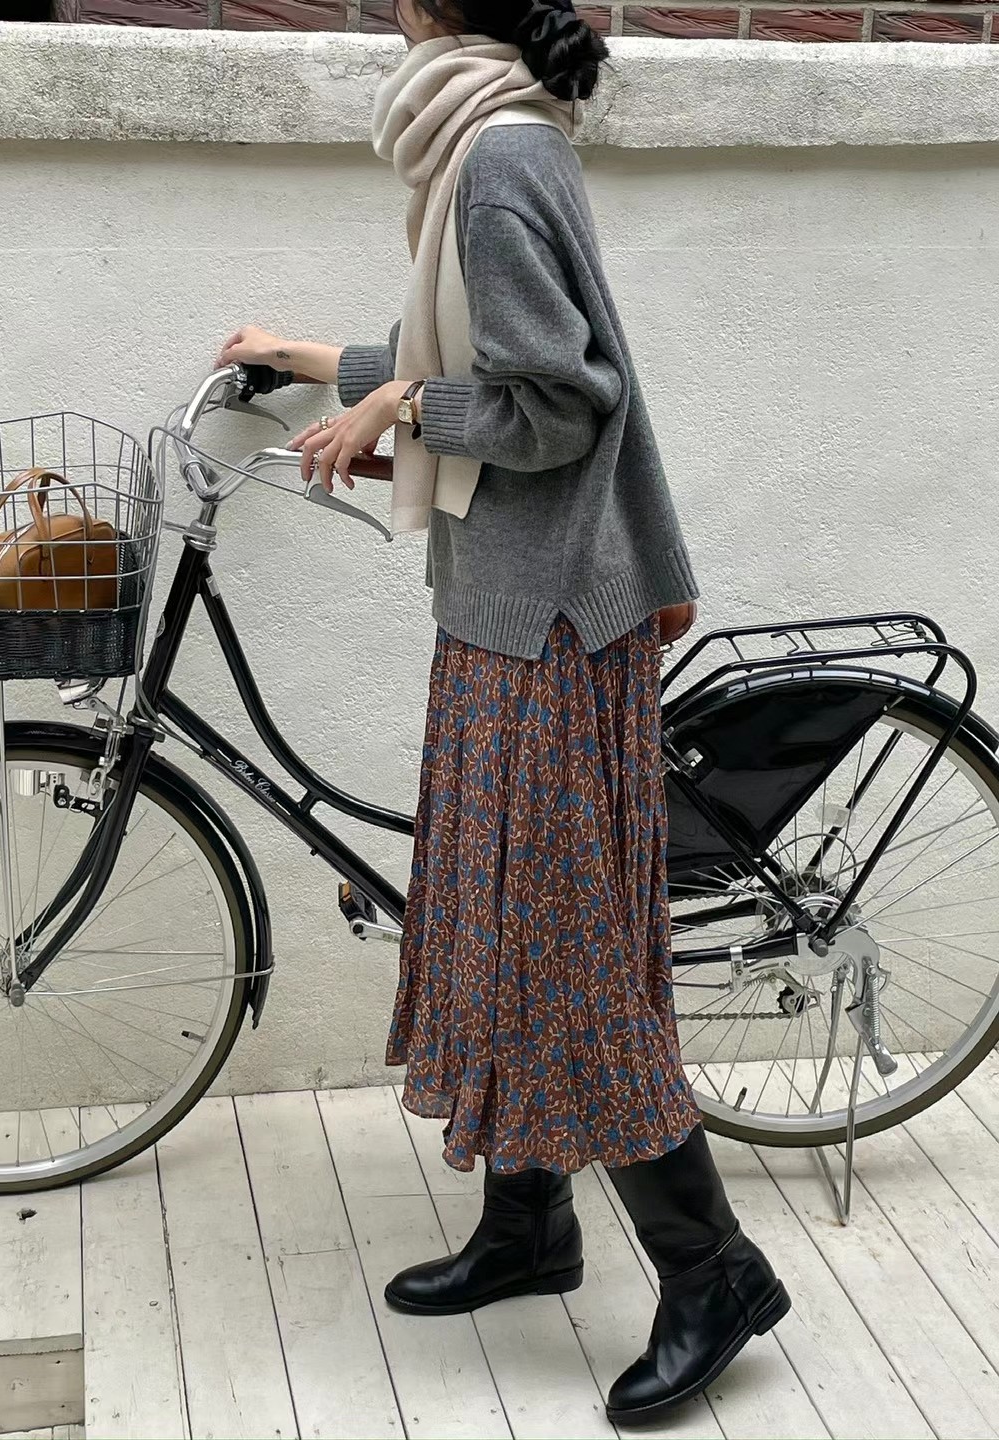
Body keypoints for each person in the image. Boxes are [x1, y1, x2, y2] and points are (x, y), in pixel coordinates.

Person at [218, 0, 789, 1423]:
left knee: (566, 955)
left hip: (546, 629)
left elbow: (560, 406)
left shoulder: (497, 161)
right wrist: (311, 361)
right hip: (504, 614)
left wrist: (403, 411)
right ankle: (530, 1226)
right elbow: (474, 362)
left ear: (430, 9)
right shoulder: (487, 143)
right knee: (499, 927)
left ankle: (712, 1269)